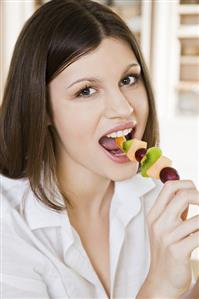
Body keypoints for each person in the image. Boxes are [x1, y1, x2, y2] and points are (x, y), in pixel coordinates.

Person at [0, 0, 198, 298]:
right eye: (86, 90)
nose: (124, 107)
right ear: (42, 109)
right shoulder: (7, 224)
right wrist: (159, 287)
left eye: (128, 80)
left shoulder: (154, 199)